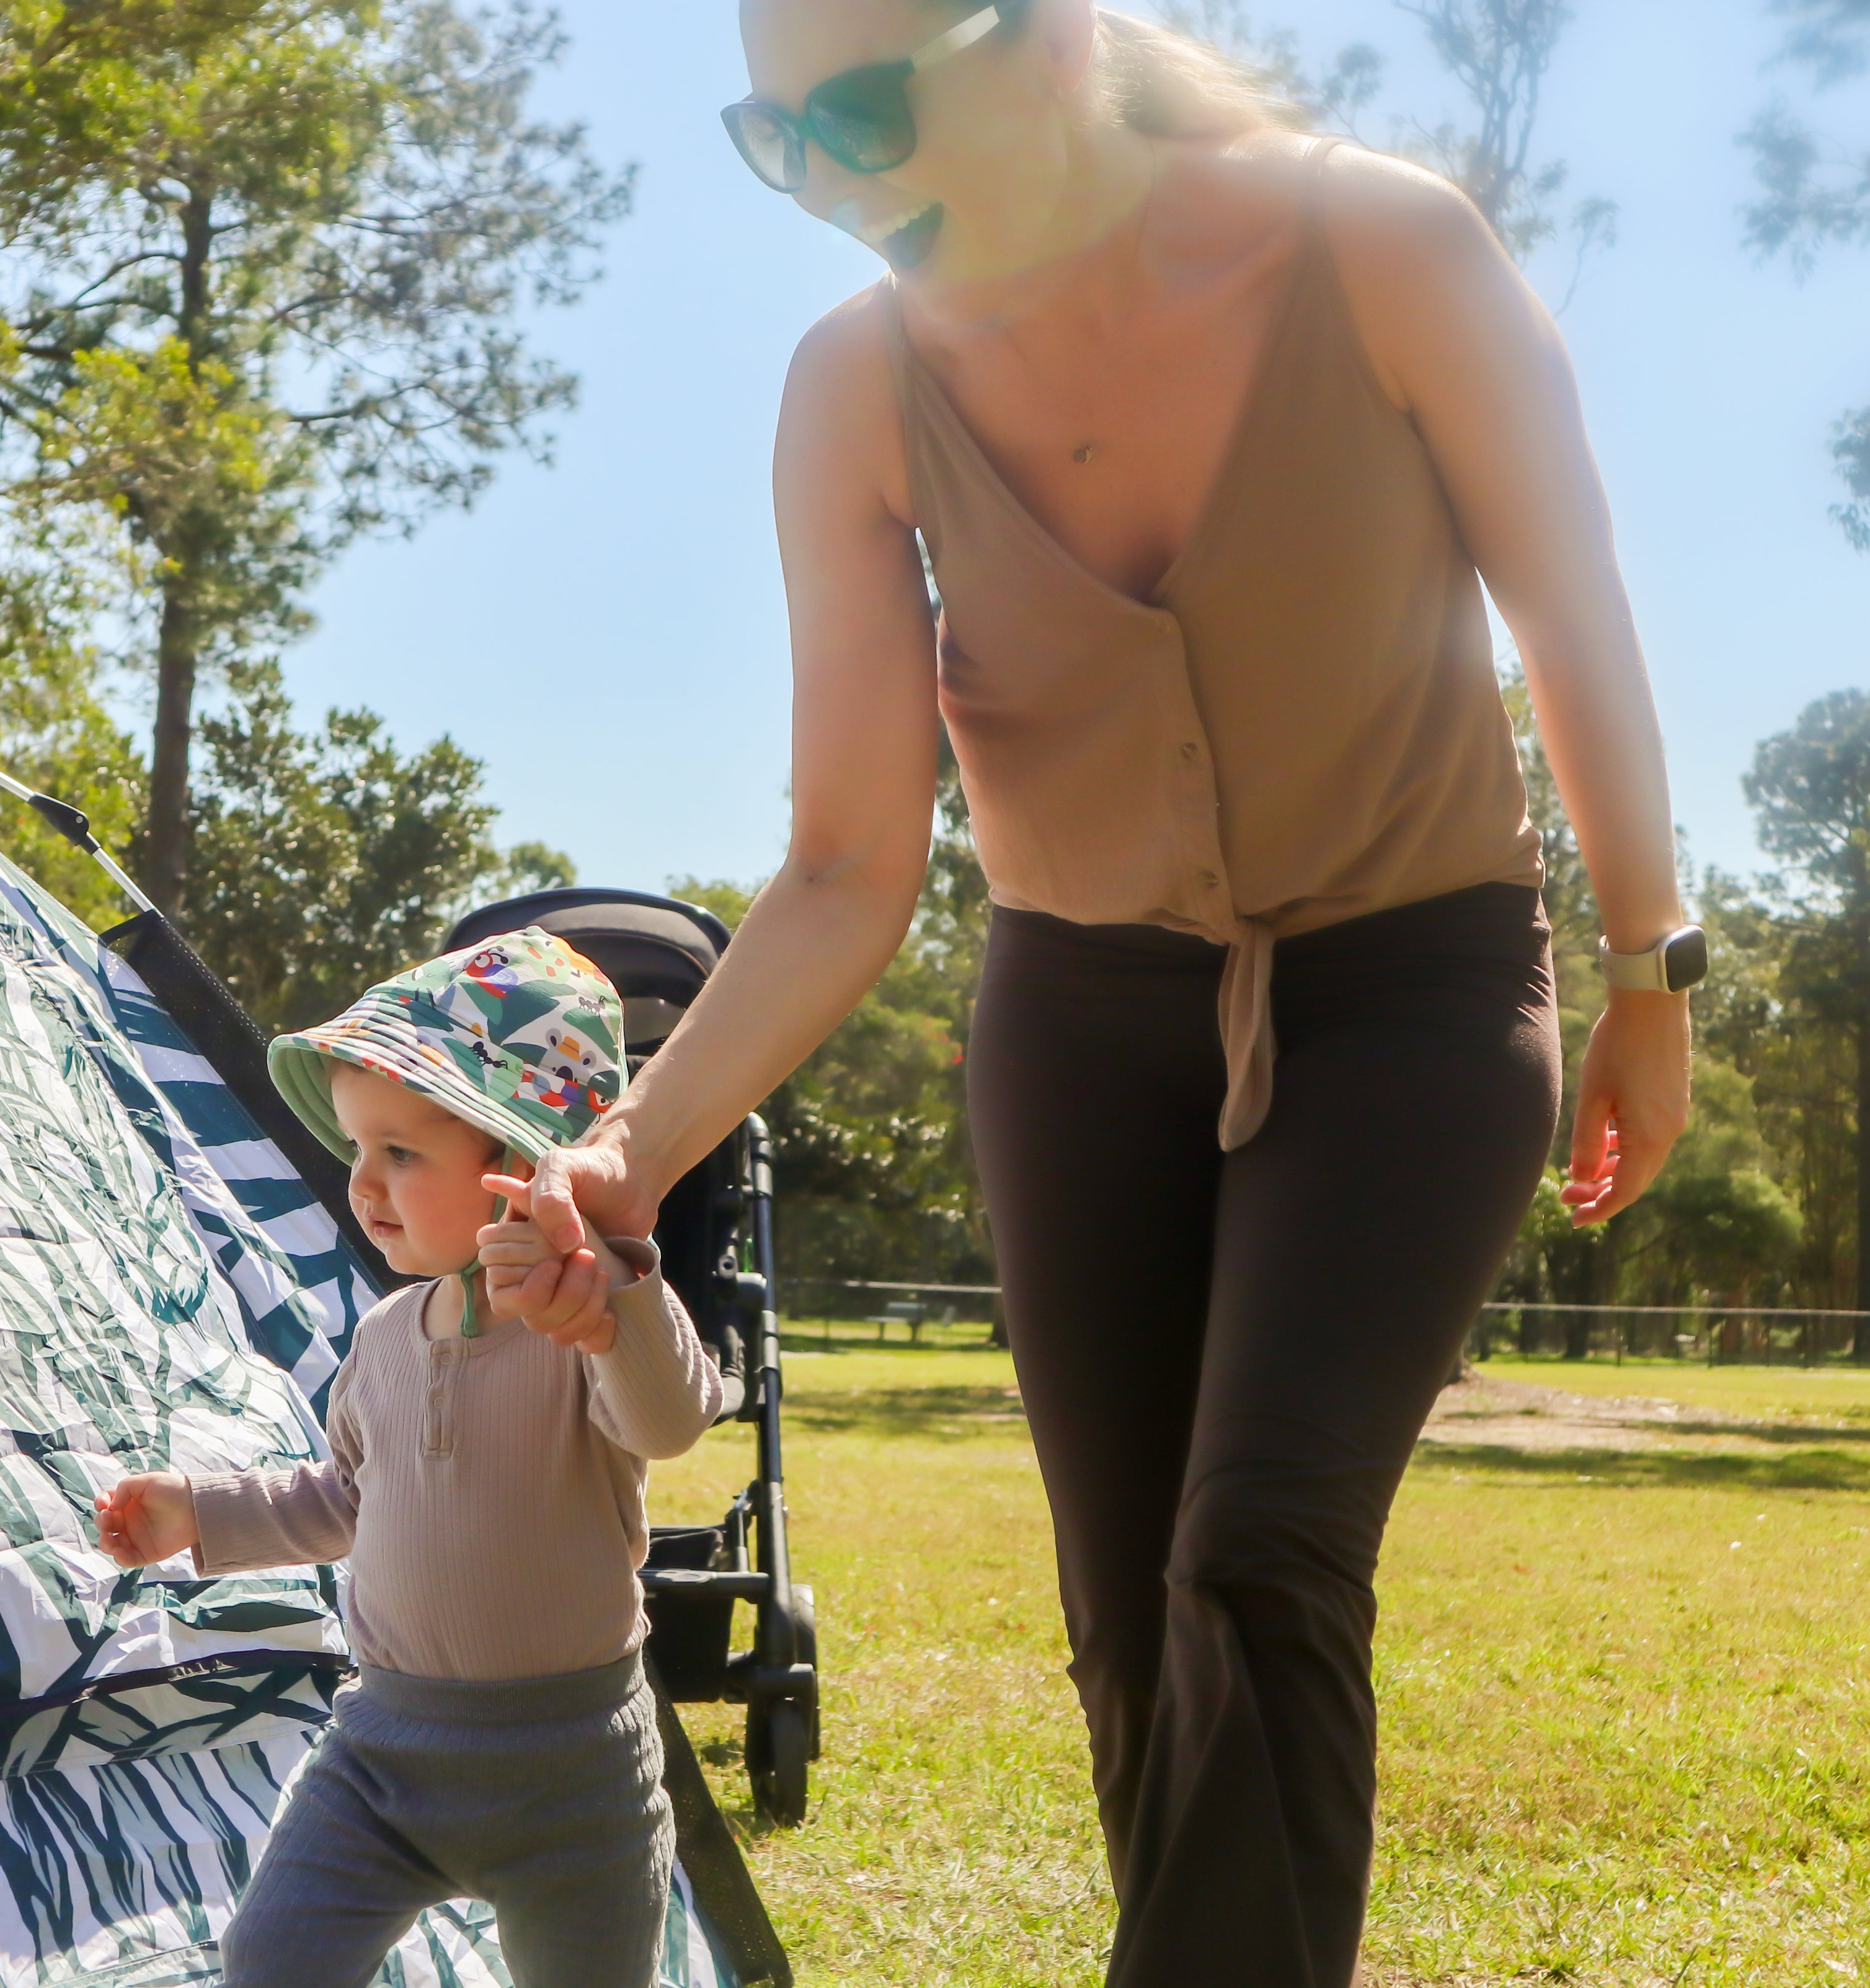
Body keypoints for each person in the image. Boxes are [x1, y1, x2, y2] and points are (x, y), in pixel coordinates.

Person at [493, 4, 1695, 1984]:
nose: (830, 181)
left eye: (865, 111)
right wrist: (626, 1153)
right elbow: (847, 861)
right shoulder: (855, 389)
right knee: (1132, 1622)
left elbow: (1572, 612)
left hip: (1412, 979)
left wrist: (1649, 968)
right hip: (1077, 1015)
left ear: (1045, 44)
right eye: (768, 142)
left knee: (1256, 1552)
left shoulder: (1380, 252)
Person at [92, 928, 722, 1988]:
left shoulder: (588, 1324)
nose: (364, 1183)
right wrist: (201, 1513)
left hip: (577, 1773)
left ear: (520, 1169)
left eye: (403, 1152)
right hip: (383, 1757)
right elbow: (346, 1495)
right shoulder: (385, 1336)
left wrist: (615, 1295)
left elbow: (669, 1421)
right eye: (357, 1150)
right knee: (272, 1959)